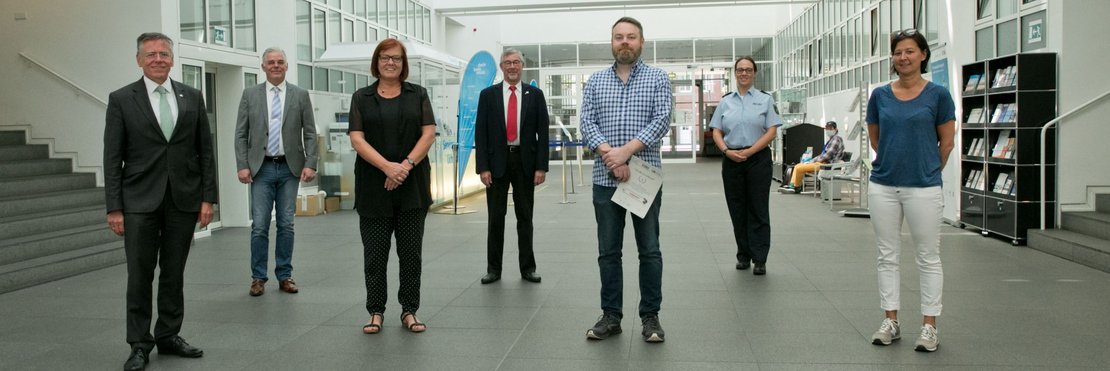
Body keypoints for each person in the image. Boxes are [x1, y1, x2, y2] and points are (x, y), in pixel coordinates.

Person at [104, 32, 216, 371]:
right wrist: (114, 206)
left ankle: (168, 334)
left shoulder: (192, 97)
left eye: (164, 54)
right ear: (139, 60)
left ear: (172, 59)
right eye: (150, 54)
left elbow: (205, 152)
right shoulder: (122, 99)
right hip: (138, 201)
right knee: (139, 275)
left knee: (173, 273)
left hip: (182, 199)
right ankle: (139, 343)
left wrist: (208, 198)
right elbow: (112, 157)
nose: (158, 59)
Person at [579, 17, 672, 343]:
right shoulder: (596, 81)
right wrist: (611, 156)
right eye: (619, 37)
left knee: (649, 250)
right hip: (605, 180)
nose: (625, 42)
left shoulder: (658, 78)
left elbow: (662, 120)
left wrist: (626, 153)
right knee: (608, 252)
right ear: (612, 42)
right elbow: (587, 123)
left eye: (631, 37)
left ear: (641, 42)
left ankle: (651, 318)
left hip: (644, 178)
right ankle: (611, 316)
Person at [865, 29, 955, 353]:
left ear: (923, 55)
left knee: (928, 258)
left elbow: (946, 143)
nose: (903, 57)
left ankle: (929, 326)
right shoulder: (880, 96)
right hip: (883, 185)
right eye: (898, 52)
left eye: (910, 51)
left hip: (924, 188)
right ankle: (890, 321)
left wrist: (928, 169)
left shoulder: (938, 96)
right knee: (886, 256)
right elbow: (877, 139)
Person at [348, 38, 436, 335]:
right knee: (375, 254)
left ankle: (409, 310)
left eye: (396, 59)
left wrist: (404, 166)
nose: (390, 63)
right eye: (385, 58)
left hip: (412, 186)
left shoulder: (418, 94)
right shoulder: (361, 97)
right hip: (374, 186)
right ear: (377, 61)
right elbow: (357, 139)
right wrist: (387, 167)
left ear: (403, 63)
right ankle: (376, 311)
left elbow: (428, 134)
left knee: (411, 254)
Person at [234, 47, 318, 297]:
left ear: (287, 66)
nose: (276, 65)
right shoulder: (250, 95)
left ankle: (285, 275)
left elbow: (311, 132)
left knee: (286, 224)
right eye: (271, 62)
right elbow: (240, 133)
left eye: (280, 61)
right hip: (261, 168)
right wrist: (242, 164)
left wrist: (311, 162)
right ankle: (258, 278)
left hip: (290, 168)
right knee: (259, 225)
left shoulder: (300, 95)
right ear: (263, 67)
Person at [475, 49, 550, 285]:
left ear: (522, 66)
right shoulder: (488, 95)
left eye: (516, 62)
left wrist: (541, 167)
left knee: (525, 217)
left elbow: (543, 133)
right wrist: (482, 168)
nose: (512, 66)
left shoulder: (535, 95)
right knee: (495, 218)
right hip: (496, 163)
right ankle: (493, 269)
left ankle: (528, 268)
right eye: (507, 62)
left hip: (525, 163)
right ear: (501, 66)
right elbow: (481, 133)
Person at [709, 56, 782, 276]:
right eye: (740, 70)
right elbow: (716, 130)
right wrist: (726, 151)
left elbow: (771, 130)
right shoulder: (726, 101)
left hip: (757, 159)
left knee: (758, 208)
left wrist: (750, 151)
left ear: (754, 73)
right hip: (731, 160)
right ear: (735, 73)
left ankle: (760, 258)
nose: (744, 73)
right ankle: (743, 254)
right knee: (737, 209)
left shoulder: (765, 100)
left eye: (748, 70)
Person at [779, 121, 844, 193]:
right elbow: (823, 155)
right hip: (822, 162)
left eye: (830, 128)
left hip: (826, 164)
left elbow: (827, 156)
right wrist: (812, 160)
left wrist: (814, 161)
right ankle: (794, 186)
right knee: (799, 166)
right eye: (827, 128)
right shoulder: (831, 139)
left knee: (799, 167)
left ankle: (795, 187)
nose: (828, 130)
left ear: (835, 129)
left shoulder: (836, 140)